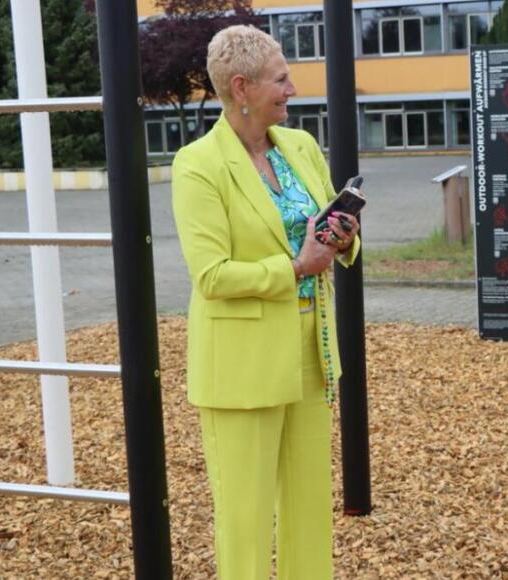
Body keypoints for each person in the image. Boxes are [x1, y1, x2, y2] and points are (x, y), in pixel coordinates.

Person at [171, 24, 361, 580]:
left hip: (311, 351)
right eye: (281, 80)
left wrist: (343, 237)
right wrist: (297, 267)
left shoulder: (299, 146)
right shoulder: (197, 165)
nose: (293, 89)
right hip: (241, 368)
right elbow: (212, 276)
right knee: (245, 518)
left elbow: (325, 232)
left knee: (308, 511)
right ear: (241, 87)